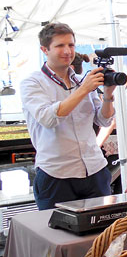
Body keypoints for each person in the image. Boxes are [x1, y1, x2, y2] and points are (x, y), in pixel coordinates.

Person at [20, 23, 115, 210]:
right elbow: (48, 118)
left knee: (101, 234)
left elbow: (103, 120)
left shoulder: (81, 81)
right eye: (60, 46)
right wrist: (84, 89)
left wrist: (109, 95)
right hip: (57, 174)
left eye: (71, 45)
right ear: (44, 49)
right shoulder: (32, 82)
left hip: (95, 169)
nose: (67, 51)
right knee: (58, 237)